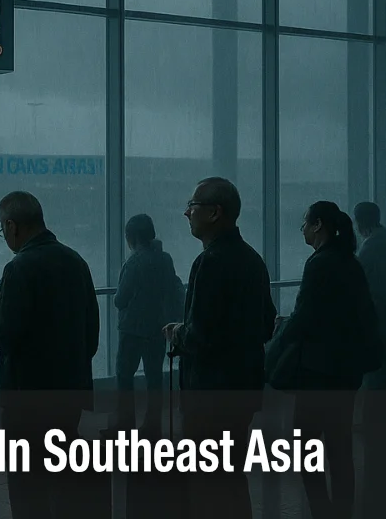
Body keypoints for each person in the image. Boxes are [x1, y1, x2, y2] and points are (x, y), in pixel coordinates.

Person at [163, 177, 276, 519]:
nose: (187, 213)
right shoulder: (252, 259)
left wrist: (178, 334)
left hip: (209, 396)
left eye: (192, 206)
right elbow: (265, 324)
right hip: (242, 390)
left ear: (214, 213)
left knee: (206, 485)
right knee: (231, 480)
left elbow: (200, 336)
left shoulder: (210, 262)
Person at [0, 191, 100, 519]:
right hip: (69, 396)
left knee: (27, 489)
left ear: (12, 226)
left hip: (26, 402)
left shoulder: (18, 268)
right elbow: (91, 336)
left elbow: (4, 337)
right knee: (63, 480)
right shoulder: (76, 262)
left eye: (2, 229)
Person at [268, 202, 379, 519]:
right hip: (346, 371)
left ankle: (321, 510)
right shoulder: (349, 262)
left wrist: (274, 348)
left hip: (317, 372)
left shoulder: (319, 264)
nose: (302, 229)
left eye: (305, 223)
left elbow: (306, 317)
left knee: (306, 448)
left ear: (318, 225)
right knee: (339, 448)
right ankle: (341, 512)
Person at [111, 214, 181, 436]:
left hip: (132, 329)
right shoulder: (165, 259)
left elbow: (120, 299)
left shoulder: (134, 263)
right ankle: (153, 426)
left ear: (131, 237)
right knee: (154, 379)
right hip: (158, 327)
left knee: (124, 377)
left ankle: (124, 425)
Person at [353, 202, 386, 517]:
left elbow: (360, 280)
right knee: (383, 366)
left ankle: (375, 418)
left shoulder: (371, 247)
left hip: (375, 317)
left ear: (361, 223)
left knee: (375, 369)